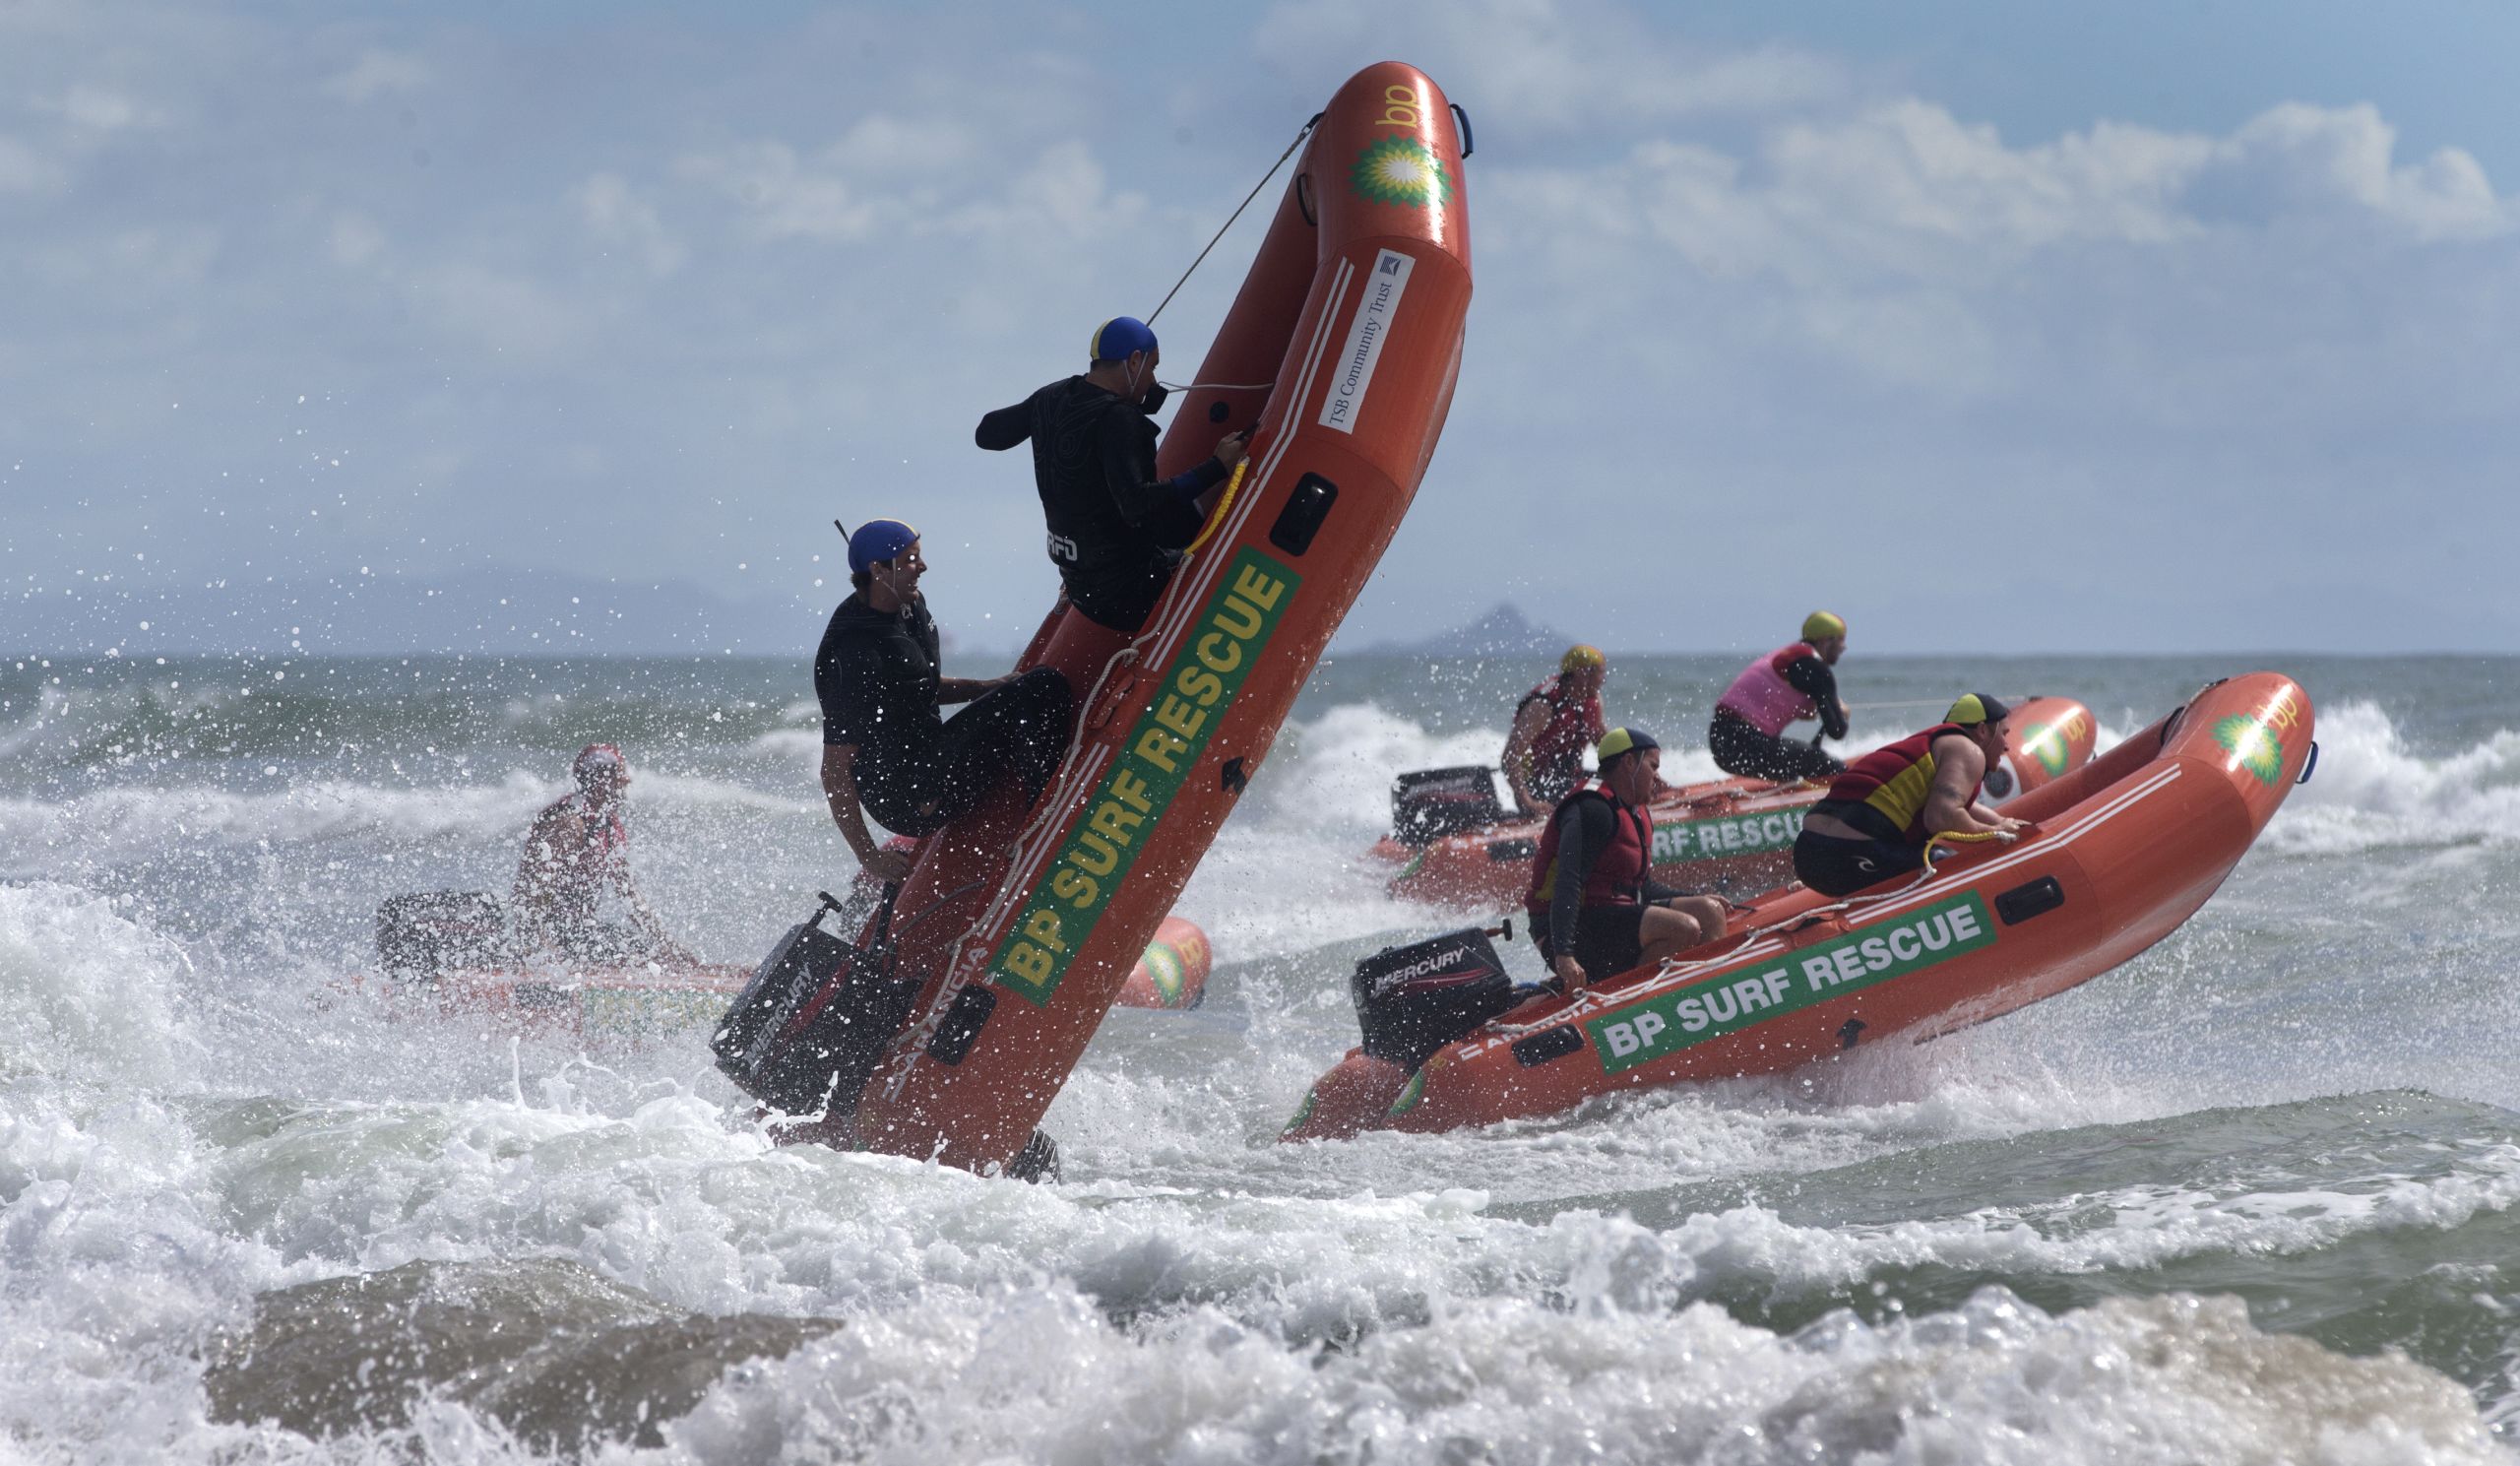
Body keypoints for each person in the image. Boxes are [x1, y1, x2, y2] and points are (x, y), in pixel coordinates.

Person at [816, 519, 1075, 881]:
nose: (922, 567)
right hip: (907, 795)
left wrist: (991, 686)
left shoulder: (909, 606)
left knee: (1030, 688)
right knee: (1043, 686)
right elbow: (834, 770)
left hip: (930, 756)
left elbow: (921, 688)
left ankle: (1040, 803)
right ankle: (1046, 820)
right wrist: (869, 857)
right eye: (909, 560)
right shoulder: (854, 652)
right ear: (877, 570)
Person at [975, 316, 1251, 633]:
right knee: (1228, 554)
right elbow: (1137, 505)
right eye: (1152, 367)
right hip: (1131, 593)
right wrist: (1217, 466)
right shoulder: (1120, 418)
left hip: (1081, 588)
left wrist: (1039, 414)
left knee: (1185, 508)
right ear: (1135, 361)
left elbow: (987, 435)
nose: (1153, 380)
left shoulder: (1052, 396)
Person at [1524, 728, 1730, 991]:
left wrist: (1696, 896)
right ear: (1629, 762)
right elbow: (1568, 881)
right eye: (1653, 766)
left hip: (1608, 915)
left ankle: (1710, 992)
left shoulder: (1634, 811)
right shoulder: (1592, 808)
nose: (1657, 776)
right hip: (1566, 929)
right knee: (1682, 928)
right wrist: (1564, 954)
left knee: (1710, 911)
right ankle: (1637, 1002)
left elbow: (1640, 887)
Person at [1793, 693, 2029, 897]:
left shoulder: (1932, 742)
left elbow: (1963, 807)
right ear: (1982, 730)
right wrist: (1992, 833)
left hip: (1808, 854)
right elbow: (1942, 817)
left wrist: (2000, 822)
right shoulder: (1969, 750)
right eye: (2004, 733)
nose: (2007, 745)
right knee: (1945, 863)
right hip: (1849, 853)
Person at [512, 742, 696, 965]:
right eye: (620, 775)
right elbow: (529, 892)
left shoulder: (608, 826)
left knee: (649, 953)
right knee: (638, 957)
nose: (627, 781)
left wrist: (667, 945)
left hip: (577, 935)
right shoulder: (569, 823)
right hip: (550, 939)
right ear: (601, 780)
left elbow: (629, 895)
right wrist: (540, 948)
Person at [1709, 611, 1853, 783]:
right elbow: (1836, 731)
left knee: (1801, 765)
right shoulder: (1816, 668)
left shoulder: (1789, 655)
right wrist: (1840, 712)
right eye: (1841, 640)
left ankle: (1787, 786)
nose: (1844, 647)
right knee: (1836, 769)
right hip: (1746, 745)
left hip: (1720, 741)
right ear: (1825, 641)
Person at [1503, 645, 1608, 816]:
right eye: (1600, 673)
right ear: (1582, 673)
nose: (1603, 680)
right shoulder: (1543, 707)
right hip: (1537, 789)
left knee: (1614, 785)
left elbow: (1606, 748)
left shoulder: (1593, 700)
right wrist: (1529, 802)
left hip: (1570, 780)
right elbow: (1510, 757)